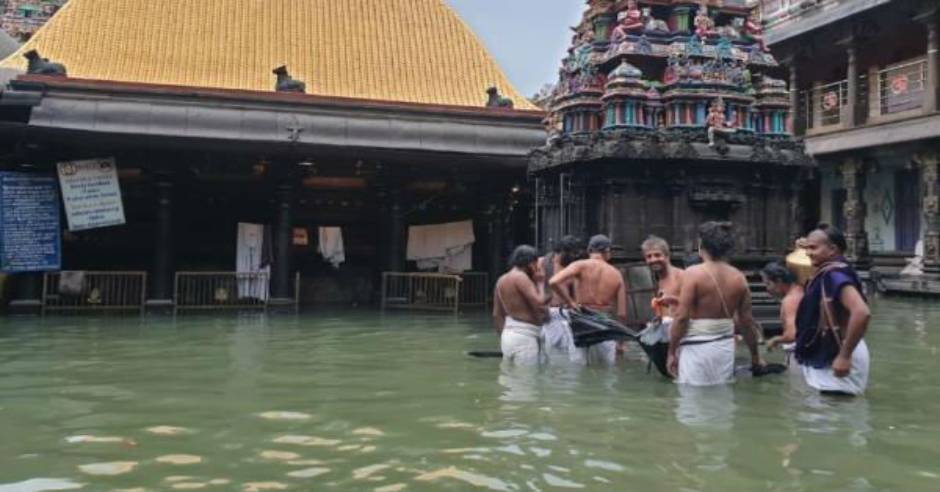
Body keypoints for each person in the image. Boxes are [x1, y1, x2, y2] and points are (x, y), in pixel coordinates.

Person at [668, 222, 763, 385]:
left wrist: (671, 352)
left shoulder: (693, 273)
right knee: (721, 401)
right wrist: (755, 356)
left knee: (692, 400)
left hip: (697, 348)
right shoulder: (739, 278)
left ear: (701, 245)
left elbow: (682, 317)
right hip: (724, 347)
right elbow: (746, 323)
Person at [794, 225, 871, 396]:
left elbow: (862, 312)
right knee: (829, 414)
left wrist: (844, 356)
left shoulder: (834, 276)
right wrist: (804, 247)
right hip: (832, 351)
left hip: (839, 352)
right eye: (807, 248)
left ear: (832, 249)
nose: (807, 252)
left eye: (813, 248)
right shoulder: (830, 270)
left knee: (835, 411)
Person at [549, 234, 628, 365]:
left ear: (589, 250)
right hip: (604, 323)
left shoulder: (579, 265)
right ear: (607, 251)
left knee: (578, 370)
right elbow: (622, 314)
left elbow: (553, 281)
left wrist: (570, 302)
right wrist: (620, 343)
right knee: (605, 374)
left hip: (580, 322)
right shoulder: (617, 274)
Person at [493, 245, 549, 366]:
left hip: (508, 335)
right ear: (530, 263)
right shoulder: (520, 277)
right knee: (526, 380)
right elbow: (540, 302)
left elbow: (497, 314)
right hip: (524, 337)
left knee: (510, 381)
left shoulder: (501, 280)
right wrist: (540, 282)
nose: (537, 269)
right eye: (535, 264)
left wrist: (502, 337)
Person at [539, 236, 585, 363]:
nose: (574, 256)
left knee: (562, 355)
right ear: (563, 251)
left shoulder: (573, 267)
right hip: (543, 314)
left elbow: (577, 295)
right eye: (572, 253)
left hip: (563, 315)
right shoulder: (542, 263)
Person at [642, 235, 684, 317]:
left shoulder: (681, 276)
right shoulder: (658, 279)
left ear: (667, 256)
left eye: (657, 255)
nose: (653, 260)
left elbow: (695, 306)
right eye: (649, 256)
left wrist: (675, 301)